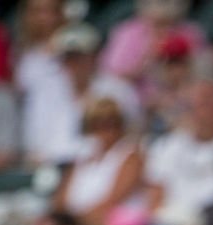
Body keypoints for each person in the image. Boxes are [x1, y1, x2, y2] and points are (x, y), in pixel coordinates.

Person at [21, 22, 141, 166]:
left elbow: (132, 135)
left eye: (78, 57)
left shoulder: (118, 90)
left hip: (104, 167)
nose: (72, 64)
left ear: (93, 56)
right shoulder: (44, 93)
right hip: (52, 168)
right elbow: (34, 146)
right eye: (67, 58)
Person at [144, 77, 213, 214]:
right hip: (173, 223)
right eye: (201, 104)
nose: (208, 110)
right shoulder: (168, 145)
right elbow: (155, 193)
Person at [52, 97, 146, 225]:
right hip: (76, 220)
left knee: (96, 222)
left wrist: (77, 220)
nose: (104, 130)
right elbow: (60, 199)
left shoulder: (129, 155)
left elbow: (114, 199)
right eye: (98, 125)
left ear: (120, 125)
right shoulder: (83, 156)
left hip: (112, 219)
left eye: (110, 124)